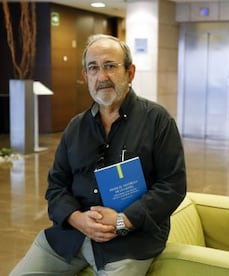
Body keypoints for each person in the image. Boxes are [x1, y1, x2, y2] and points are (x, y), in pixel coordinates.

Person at [10, 34, 187, 275]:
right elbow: (56, 186)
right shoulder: (75, 127)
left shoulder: (157, 120)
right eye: (93, 68)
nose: (102, 77)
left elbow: (172, 186)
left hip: (130, 241)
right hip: (71, 236)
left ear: (130, 72)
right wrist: (75, 218)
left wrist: (123, 220)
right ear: (85, 77)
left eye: (110, 66)